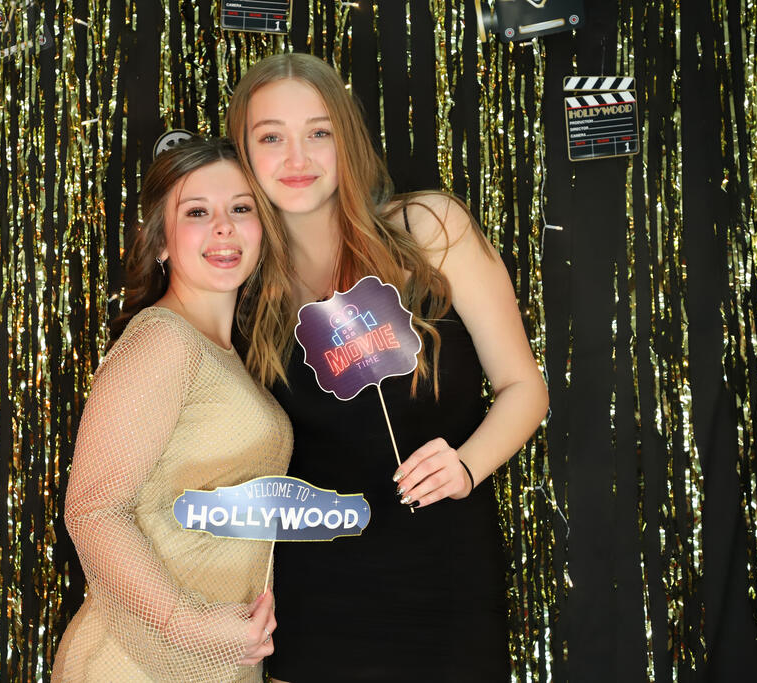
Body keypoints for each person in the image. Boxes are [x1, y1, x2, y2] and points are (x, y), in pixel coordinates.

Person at [226, 53, 549, 681]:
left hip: (446, 584)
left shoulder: (430, 229)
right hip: (316, 598)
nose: (297, 158)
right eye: (271, 137)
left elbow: (524, 388)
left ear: (347, 139)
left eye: (319, 132)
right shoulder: (246, 288)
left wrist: (466, 464)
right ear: (244, 153)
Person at [51, 137, 291, 682]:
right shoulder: (164, 339)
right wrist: (189, 624)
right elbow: (92, 510)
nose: (223, 227)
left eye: (241, 208)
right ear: (161, 240)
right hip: (136, 662)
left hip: (216, 660)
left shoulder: (225, 354)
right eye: (197, 212)